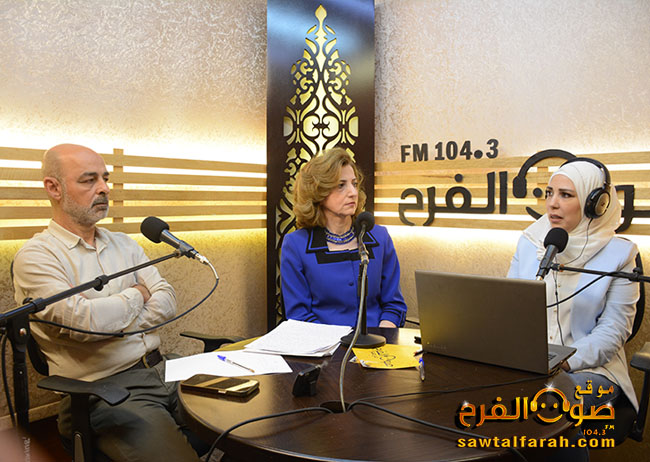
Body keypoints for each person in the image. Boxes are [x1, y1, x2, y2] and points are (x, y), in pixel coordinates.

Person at [12, 144, 203, 461]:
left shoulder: (124, 244)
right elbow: (86, 324)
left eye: (105, 178)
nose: (103, 188)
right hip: (105, 392)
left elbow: (167, 300)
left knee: (248, 422)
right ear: (54, 188)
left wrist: (113, 323)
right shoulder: (36, 257)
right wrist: (138, 294)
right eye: (89, 180)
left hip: (164, 368)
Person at [508, 157, 639, 413]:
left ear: (595, 205)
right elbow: (508, 308)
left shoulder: (620, 255)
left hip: (591, 370)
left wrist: (563, 361)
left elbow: (613, 331)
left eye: (566, 195)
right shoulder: (530, 243)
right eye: (549, 193)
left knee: (547, 402)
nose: (552, 203)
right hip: (528, 366)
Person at [281, 147, 407, 327]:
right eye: (341, 185)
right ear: (318, 193)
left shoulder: (380, 238)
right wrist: (336, 342)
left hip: (378, 340)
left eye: (354, 184)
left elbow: (394, 305)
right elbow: (299, 315)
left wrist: (382, 335)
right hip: (322, 343)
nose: (353, 192)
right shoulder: (295, 245)